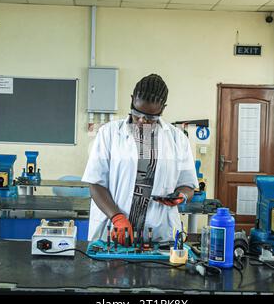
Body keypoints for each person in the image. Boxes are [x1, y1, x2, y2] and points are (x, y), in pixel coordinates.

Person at [82, 74, 198, 245]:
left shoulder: (177, 139)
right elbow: (95, 183)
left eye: (150, 118)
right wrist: (117, 217)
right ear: (131, 100)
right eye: (137, 114)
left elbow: (188, 185)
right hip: (115, 231)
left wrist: (181, 196)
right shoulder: (109, 134)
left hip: (159, 235)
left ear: (162, 109)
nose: (142, 121)